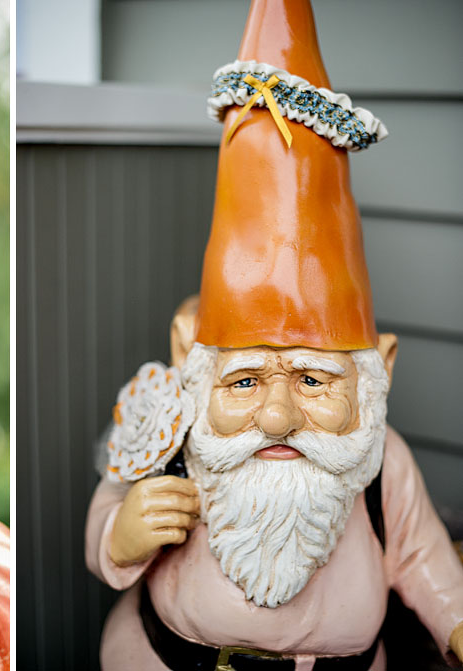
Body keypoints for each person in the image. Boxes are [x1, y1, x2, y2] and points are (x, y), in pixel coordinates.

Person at [85, 2, 463, 669]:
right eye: (246, 379)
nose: (280, 416)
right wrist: (122, 535)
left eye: (314, 379)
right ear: (188, 361)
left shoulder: (380, 462)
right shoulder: (173, 432)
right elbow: (109, 510)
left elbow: (422, 555)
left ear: (381, 369)